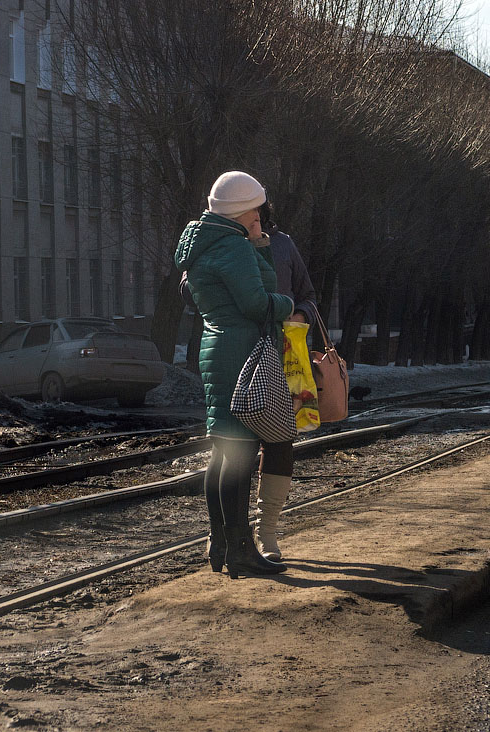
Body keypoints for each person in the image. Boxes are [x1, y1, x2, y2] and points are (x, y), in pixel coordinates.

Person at [175, 171, 295, 579]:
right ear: (247, 210)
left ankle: (222, 541)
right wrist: (286, 303)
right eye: (258, 210)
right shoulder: (235, 248)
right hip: (243, 353)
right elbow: (257, 303)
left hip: (215, 349)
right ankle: (242, 549)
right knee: (241, 454)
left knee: (223, 454)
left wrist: (256, 244)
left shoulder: (202, 244)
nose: (261, 216)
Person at [253, 200, 317, 561]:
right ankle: (229, 532)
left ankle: (268, 534)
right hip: (242, 357)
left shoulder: (283, 244)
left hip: (287, 357)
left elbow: (309, 296)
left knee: (280, 444)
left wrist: (299, 313)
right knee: (235, 447)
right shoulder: (221, 244)